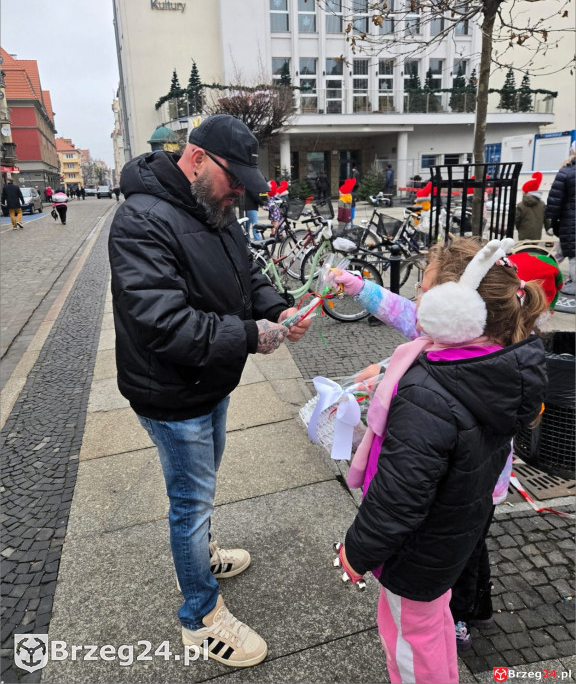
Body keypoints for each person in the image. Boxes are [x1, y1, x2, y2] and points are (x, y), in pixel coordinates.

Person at [108, 114, 311, 668]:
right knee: (190, 505)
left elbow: (247, 270)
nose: (240, 192)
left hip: (209, 381)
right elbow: (164, 324)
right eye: (234, 178)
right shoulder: (140, 220)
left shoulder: (213, 206)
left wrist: (277, 309)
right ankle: (199, 617)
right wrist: (251, 335)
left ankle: (202, 556)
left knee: (202, 491)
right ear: (196, 158)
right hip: (172, 394)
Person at [329, 237, 547, 684]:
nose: (417, 299)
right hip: (454, 532)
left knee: (409, 640)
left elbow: (398, 494)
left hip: (418, 550)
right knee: (433, 625)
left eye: (424, 290)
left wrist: (357, 550)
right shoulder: (493, 366)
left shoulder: (428, 391)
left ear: (456, 309)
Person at [545, 155, 575, 295]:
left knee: (573, 253)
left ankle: (574, 284)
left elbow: (555, 200)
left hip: (571, 220)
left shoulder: (566, 172)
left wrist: (550, 219)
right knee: (565, 249)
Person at [515, 172, 545, 241]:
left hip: (523, 234)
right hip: (536, 235)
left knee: (523, 250)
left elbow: (517, 219)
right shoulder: (542, 204)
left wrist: (518, 227)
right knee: (533, 250)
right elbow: (546, 218)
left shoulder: (521, 205)